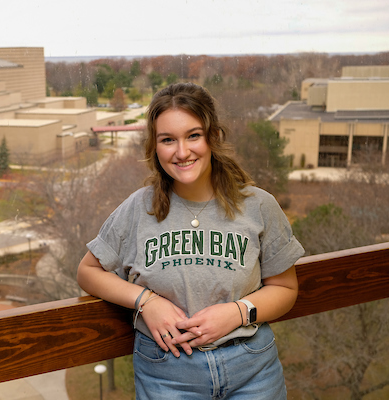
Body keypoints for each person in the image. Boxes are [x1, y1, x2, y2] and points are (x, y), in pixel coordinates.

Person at [77, 82, 304, 399]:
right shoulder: (137, 210)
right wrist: (146, 301)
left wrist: (239, 312)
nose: (182, 152)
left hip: (252, 370)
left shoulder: (259, 206)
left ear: (213, 137)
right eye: (168, 139)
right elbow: (88, 271)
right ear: (155, 147)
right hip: (167, 374)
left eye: (193, 135)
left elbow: (285, 288)